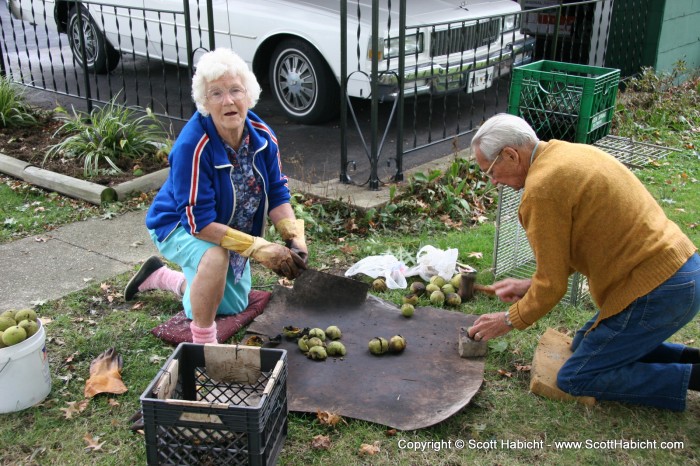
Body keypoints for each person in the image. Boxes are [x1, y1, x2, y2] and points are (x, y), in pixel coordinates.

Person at [467, 113, 699, 411]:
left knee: (577, 376)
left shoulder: (541, 189)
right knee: (581, 345)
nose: (495, 182)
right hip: (683, 269)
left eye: (491, 172)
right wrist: (529, 285)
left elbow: (552, 287)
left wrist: (509, 319)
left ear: (511, 154)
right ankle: (691, 359)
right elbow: (582, 244)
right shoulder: (566, 153)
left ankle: (694, 376)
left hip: (659, 289)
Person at [124, 48, 307, 344]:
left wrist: (294, 236)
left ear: (249, 94)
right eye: (216, 94)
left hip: (226, 227)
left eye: (236, 90)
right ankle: (203, 344)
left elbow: (276, 191)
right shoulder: (193, 147)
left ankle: (159, 277)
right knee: (215, 257)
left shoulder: (263, 136)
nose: (229, 101)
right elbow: (199, 223)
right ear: (205, 103)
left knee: (232, 304)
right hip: (177, 225)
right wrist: (258, 248)